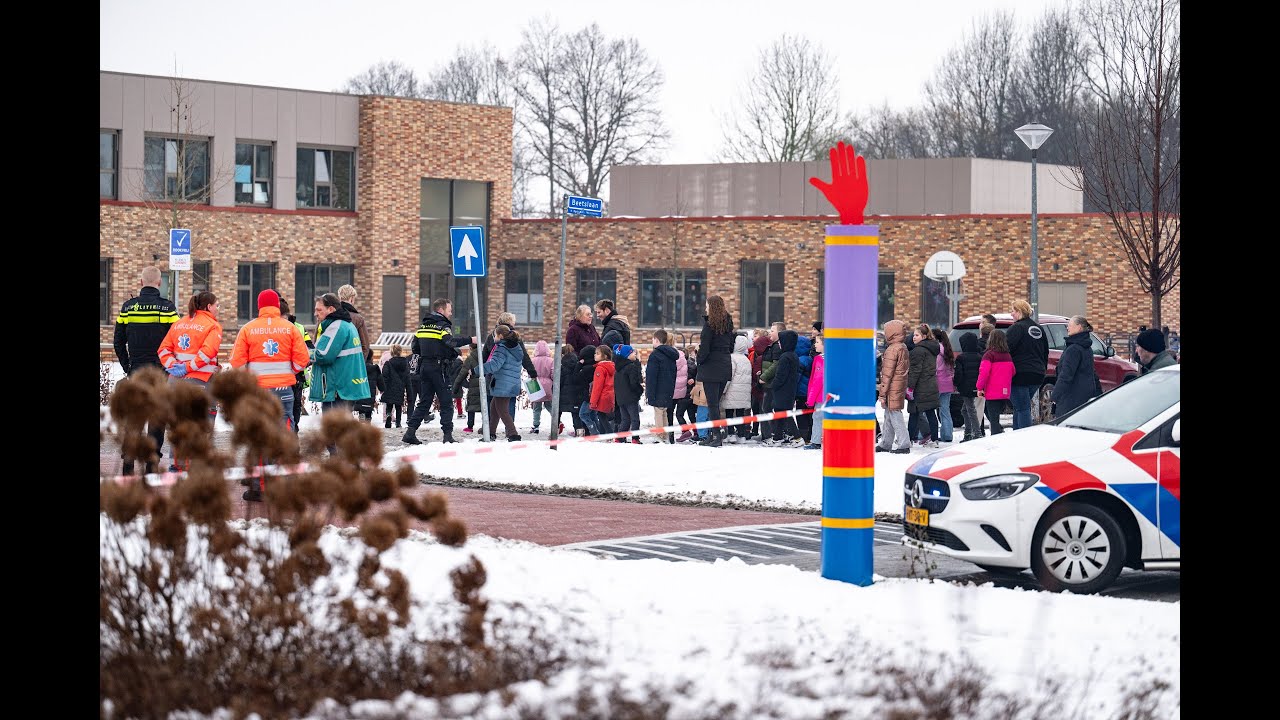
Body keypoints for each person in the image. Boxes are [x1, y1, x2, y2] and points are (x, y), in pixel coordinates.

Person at [113, 265, 180, 475]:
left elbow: (117, 342)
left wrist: (127, 366)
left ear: (141, 283)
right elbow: (177, 341)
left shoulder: (128, 308)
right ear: (159, 283)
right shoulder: (168, 309)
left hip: (136, 372)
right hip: (160, 373)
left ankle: (128, 461)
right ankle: (152, 463)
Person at [158, 290, 222, 469]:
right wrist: (188, 367)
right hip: (199, 384)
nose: (218, 309)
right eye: (217, 305)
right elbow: (207, 353)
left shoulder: (179, 323)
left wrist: (174, 367)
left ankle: (176, 466)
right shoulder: (212, 326)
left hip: (175, 382)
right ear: (209, 306)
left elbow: (163, 349)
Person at [230, 288, 310, 432]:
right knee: (285, 428)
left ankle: (263, 455)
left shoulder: (247, 329)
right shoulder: (290, 328)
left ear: (259, 306)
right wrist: (290, 371)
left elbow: (237, 362)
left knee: (260, 430)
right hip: (284, 388)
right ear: (278, 306)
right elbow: (303, 358)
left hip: (257, 388)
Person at [403, 298, 474, 445]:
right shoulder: (442, 326)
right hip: (439, 369)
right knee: (446, 403)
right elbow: (451, 342)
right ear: (441, 310)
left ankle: (410, 432)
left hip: (425, 368)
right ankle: (447, 435)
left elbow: (414, 347)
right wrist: (469, 340)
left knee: (424, 402)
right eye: (449, 309)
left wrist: (428, 353)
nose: (451, 312)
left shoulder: (422, 327)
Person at [308, 292, 370, 420]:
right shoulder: (347, 325)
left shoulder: (336, 327)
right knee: (344, 425)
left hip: (337, 388)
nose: (315, 314)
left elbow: (323, 355)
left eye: (319, 310)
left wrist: (305, 353)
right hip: (346, 386)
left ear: (331, 309)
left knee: (335, 428)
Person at [695, 294, 736, 447]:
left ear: (711, 307)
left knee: (712, 405)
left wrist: (698, 359)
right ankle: (713, 435)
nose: (705, 308)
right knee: (715, 404)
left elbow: (705, 348)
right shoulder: (728, 325)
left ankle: (716, 436)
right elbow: (731, 345)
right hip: (724, 366)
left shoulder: (709, 325)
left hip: (711, 367)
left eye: (707, 305)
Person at [1005, 299, 1048, 430]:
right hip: (1037, 374)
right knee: (1020, 406)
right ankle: (1016, 434)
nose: (1011, 314)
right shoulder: (1039, 329)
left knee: (1022, 408)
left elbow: (1006, 349)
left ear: (1019, 312)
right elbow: (1045, 351)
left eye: (1012, 311)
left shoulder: (1016, 328)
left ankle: (1023, 438)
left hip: (1019, 374)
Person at [1051, 315, 1103, 416]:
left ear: (1079, 327)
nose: (1067, 328)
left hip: (1071, 399)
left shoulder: (1073, 349)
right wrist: (1098, 393)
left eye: (1070, 325)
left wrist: (1055, 396)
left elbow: (1066, 375)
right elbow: (1092, 373)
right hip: (1084, 397)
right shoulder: (1086, 348)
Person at [482, 324, 526, 441]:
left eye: (495, 335)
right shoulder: (514, 347)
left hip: (503, 384)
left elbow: (494, 365)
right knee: (494, 409)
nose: (494, 338)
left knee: (502, 410)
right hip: (509, 383)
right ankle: (491, 433)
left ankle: (513, 434)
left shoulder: (501, 348)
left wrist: (478, 369)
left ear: (500, 336)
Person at [278, 298, 315, 434]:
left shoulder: (298, 328)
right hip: (279, 378)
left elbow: (310, 349)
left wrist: (300, 363)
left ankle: (293, 436)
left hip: (297, 377)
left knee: (294, 410)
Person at [875, 320, 911, 454]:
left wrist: (882, 393)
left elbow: (887, 373)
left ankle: (903, 443)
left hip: (892, 387)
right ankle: (886, 442)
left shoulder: (892, 349)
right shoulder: (902, 347)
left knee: (895, 414)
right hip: (899, 385)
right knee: (889, 414)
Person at [764, 329, 804, 446]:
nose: (779, 343)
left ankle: (797, 437)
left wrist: (773, 385)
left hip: (782, 391)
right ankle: (777, 438)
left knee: (785, 414)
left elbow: (780, 376)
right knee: (780, 414)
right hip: (789, 390)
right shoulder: (793, 356)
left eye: (781, 341)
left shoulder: (784, 357)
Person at [906, 324, 941, 448]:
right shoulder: (932, 348)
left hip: (919, 387)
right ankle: (935, 439)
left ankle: (909, 439)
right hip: (930, 385)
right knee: (931, 413)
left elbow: (915, 371)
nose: (913, 338)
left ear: (924, 336)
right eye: (913, 335)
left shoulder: (917, 351)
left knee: (914, 413)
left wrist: (910, 387)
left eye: (916, 335)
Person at [976, 328, 1015, 436]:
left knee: (993, 420)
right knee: (997, 417)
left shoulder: (989, 355)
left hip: (992, 392)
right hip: (1005, 392)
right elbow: (1013, 371)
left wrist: (979, 388)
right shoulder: (1008, 355)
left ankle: (996, 439)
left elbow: (984, 373)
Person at [646, 330, 679, 444]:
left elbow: (651, 376)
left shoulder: (655, 355)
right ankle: (665, 435)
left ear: (656, 340)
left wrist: (649, 393)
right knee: (664, 410)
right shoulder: (671, 354)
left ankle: (660, 435)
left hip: (658, 388)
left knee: (659, 411)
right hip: (668, 386)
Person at [721, 334, 753, 442]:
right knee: (740, 413)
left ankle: (731, 434)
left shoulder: (732, 358)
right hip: (743, 392)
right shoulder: (746, 359)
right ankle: (741, 435)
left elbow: (729, 375)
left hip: (732, 391)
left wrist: (723, 390)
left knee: (729, 412)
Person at [953, 333, 983, 442]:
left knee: (970, 409)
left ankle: (976, 433)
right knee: (965, 410)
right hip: (976, 386)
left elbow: (958, 374)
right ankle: (968, 432)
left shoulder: (961, 357)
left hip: (965, 387)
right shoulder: (979, 357)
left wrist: (956, 383)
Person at [612, 343, 644, 443]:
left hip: (621, 398)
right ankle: (635, 438)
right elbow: (634, 383)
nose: (635, 354)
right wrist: (640, 391)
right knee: (635, 419)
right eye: (632, 352)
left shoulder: (618, 368)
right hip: (631, 397)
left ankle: (619, 437)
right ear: (627, 355)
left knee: (625, 419)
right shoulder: (631, 367)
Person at [451, 340, 483, 433]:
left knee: (471, 406)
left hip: (473, 384)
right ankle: (485, 426)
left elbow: (462, 374)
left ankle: (470, 426)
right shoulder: (485, 356)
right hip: (485, 383)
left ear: (470, 348)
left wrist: (456, 387)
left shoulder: (470, 358)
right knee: (485, 406)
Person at [932, 327, 957, 444]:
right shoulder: (947, 349)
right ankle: (947, 435)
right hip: (948, 383)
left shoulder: (937, 350)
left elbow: (935, 368)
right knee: (945, 410)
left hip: (937, 383)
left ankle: (925, 433)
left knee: (929, 409)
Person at [337, 284, 373, 363]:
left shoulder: (331, 315)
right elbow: (365, 346)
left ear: (340, 298)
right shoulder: (358, 318)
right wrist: (358, 365)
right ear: (352, 299)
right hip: (352, 364)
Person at [587, 344, 616, 436]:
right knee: (604, 416)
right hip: (610, 395)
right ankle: (603, 434)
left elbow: (597, 387)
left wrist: (593, 402)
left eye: (598, 353)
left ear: (605, 356)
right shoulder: (612, 367)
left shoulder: (600, 368)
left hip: (602, 396)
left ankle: (609, 434)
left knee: (601, 416)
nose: (595, 355)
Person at [804, 333, 826, 450]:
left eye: (817, 342)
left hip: (821, 397)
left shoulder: (820, 360)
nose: (815, 344)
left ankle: (816, 441)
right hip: (831, 396)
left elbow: (817, 380)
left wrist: (810, 399)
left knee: (817, 417)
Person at [381, 344, 411, 428]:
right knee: (398, 406)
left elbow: (384, 376)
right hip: (400, 388)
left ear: (391, 352)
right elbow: (407, 378)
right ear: (400, 352)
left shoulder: (388, 363)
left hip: (389, 388)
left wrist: (383, 387)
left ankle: (388, 416)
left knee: (389, 405)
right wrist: (409, 391)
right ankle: (398, 422)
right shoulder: (405, 364)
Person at [530, 340, 555, 434]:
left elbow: (530, 373)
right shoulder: (551, 360)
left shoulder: (533, 360)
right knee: (549, 405)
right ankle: (557, 421)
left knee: (536, 407)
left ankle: (535, 426)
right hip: (548, 385)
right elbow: (553, 374)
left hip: (535, 384)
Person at [576, 344, 602, 436]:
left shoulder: (586, 369)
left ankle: (594, 432)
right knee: (593, 415)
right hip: (594, 395)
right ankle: (598, 432)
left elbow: (575, 377)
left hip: (588, 396)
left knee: (583, 414)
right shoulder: (596, 366)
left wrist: (579, 364)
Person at [674, 348, 698, 442]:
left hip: (683, 394)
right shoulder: (693, 365)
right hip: (692, 394)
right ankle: (697, 432)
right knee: (692, 415)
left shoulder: (680, 366)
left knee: (679, 414)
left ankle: (685, 431)